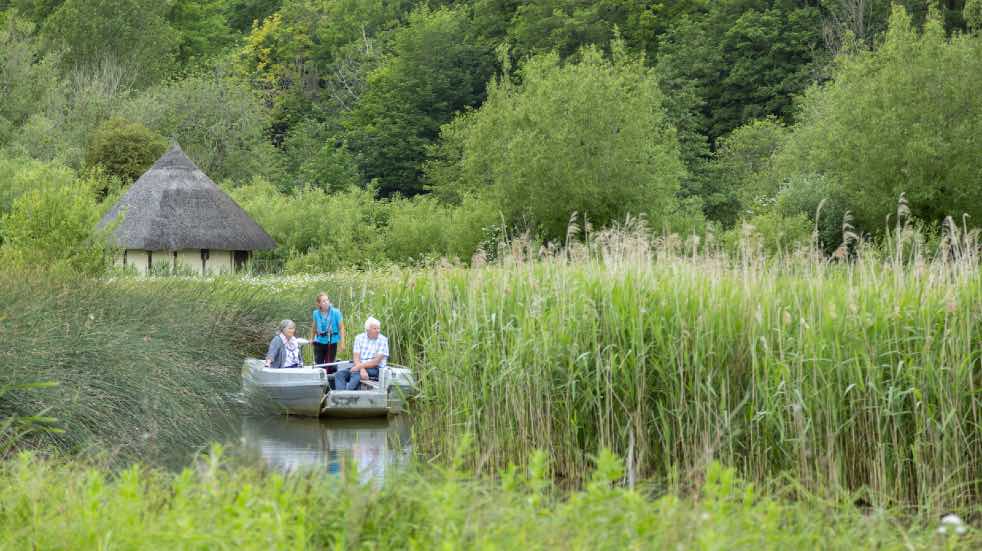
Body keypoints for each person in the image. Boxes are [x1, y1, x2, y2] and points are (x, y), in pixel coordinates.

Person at [335, 317, 388, 391]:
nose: (378, 331)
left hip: (376, 369)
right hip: (359, 366)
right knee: (339, 374)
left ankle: (346, 395)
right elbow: (356, 358)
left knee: (356, 373)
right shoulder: (359, 338)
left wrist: (359, 368)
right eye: (375, 329)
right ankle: (340, 396)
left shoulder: (383, 340)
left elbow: (376, 361)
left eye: (378, 328)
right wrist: (361, 368)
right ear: (367, 330)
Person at [309, 292, 346, 369]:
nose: (326, 302)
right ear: (319, 304)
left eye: (327, 300)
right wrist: (311, 338)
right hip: (319, 341)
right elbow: (314, 327)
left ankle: (329, 378)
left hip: (331, 341)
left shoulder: (336, 312)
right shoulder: (315, 313)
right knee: (319, 365)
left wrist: (342, 343)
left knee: (329, 365)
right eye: (323, 301)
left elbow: (341, 328)